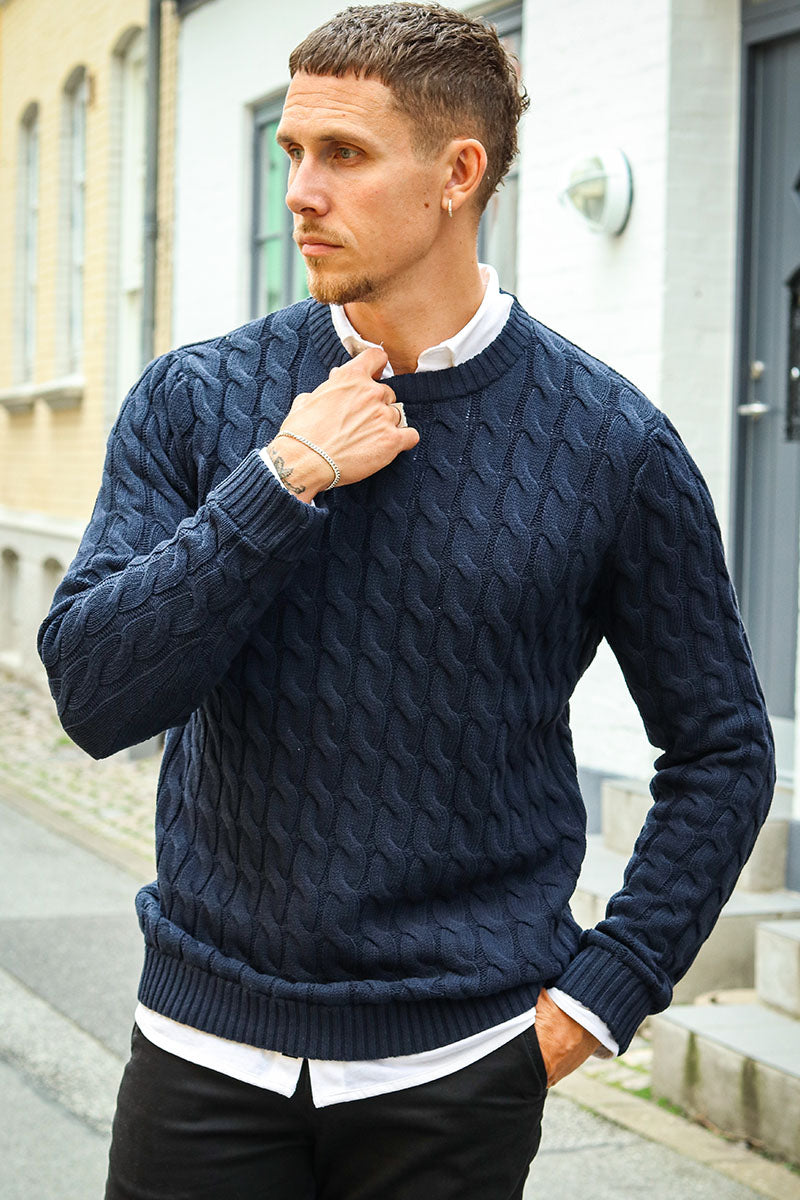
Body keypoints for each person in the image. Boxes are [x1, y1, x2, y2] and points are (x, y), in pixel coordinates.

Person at [38, 4, 775, 1197]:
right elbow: (93, 696)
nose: (299, 191)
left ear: (456, 174)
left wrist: (599, 997)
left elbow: (722, 750)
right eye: (292, 152)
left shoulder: (609, 446)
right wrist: (282, 479)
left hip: (454, 1072)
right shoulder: (196, 400)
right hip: (202, 1053)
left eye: (343, 154)